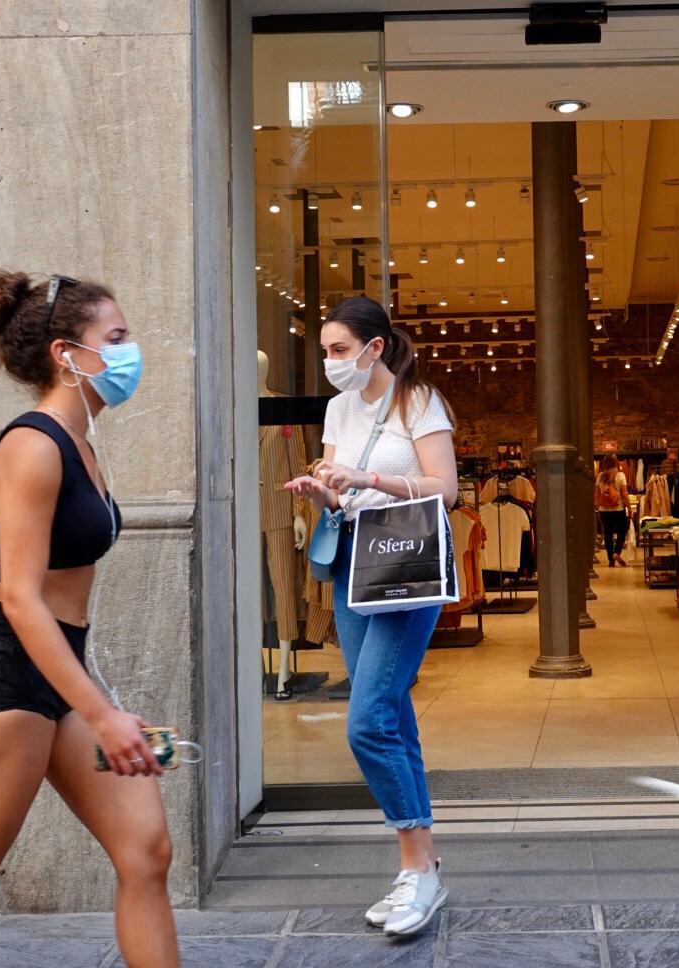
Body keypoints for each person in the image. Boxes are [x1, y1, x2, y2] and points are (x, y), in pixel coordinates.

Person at [0, 271, 179, 968]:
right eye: (114, 339)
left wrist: (94, 703)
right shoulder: (33, 448)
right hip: (0, 682)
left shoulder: (82, 444)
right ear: (66, 353)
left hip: (55, 678)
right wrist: (104, 716)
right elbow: (21, 598)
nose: (129, 351)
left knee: (146, 850)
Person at [284, 296, 457, 938]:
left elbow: (448, 489)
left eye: (337, 350)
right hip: (353, 561)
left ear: (373, 347)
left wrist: (369, 479)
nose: (331, 363)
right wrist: (323, 489)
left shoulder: (420, 401)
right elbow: (342, 490)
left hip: (406, 563)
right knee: (391, 713)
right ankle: (423, 868)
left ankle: (418, 868)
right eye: (325, 352)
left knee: (367, 723)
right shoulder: (336, 408)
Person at [596, 453, 632, 567]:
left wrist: (598, 508)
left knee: (608, 534)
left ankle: (611, 560)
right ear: (616, 463)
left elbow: (596, 494)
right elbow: (625, 494)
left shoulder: (600, 476)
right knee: (622, 530)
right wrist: (630, 508)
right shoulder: (620, 475)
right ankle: (617, 552)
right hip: (618, 509)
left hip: (604, 510)